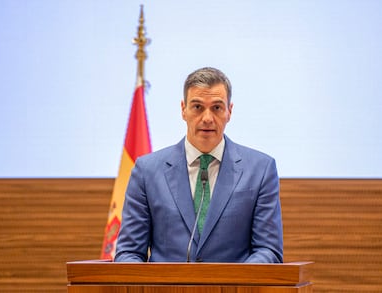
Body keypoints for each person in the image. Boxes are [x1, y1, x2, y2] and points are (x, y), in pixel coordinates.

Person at [115, 67, 283, 263]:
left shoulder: (260, 170)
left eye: (217, 108)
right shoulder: (147, 171)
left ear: (229, 111)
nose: (207, 118)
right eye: (197, 107)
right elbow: (129, 252)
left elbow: (268, 250)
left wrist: (236, 282)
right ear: (183, 110)